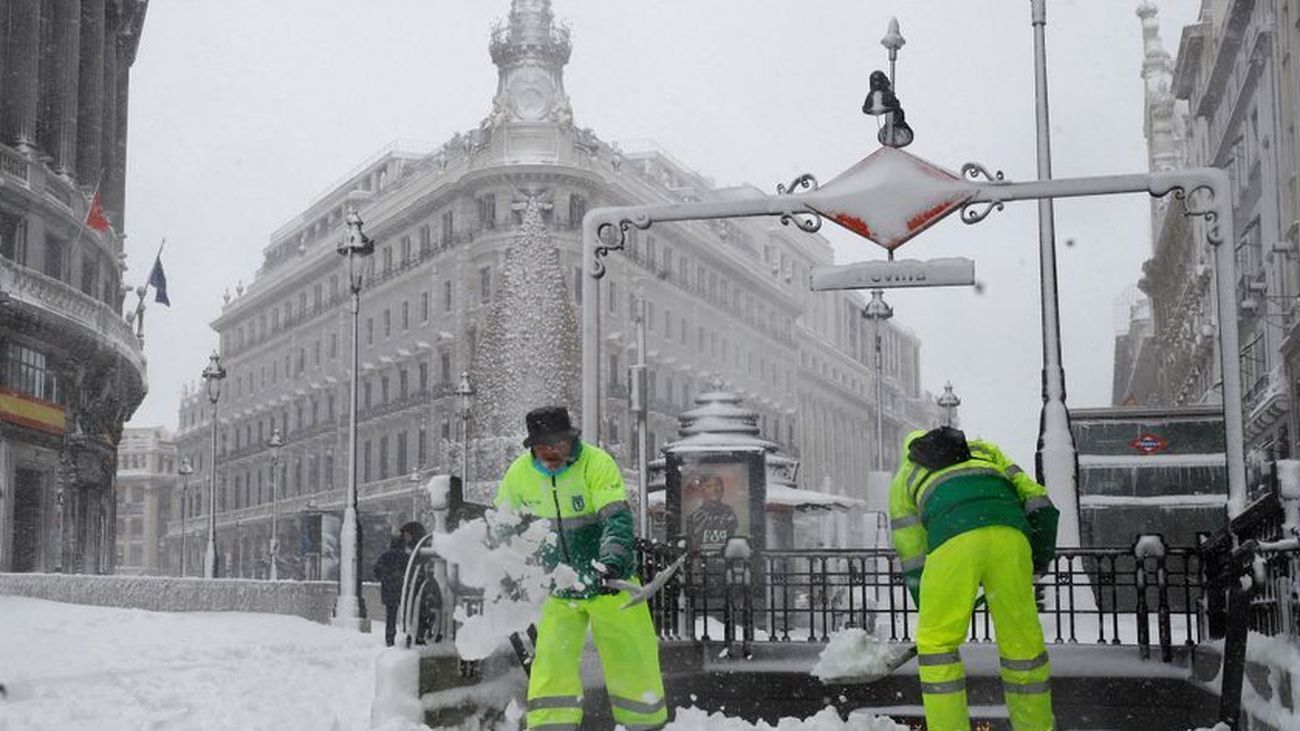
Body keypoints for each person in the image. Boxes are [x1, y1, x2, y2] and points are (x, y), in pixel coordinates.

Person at [494, 405, 667, 730]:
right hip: (559, 586)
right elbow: (503, 525)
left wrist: (612, 562)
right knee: (551, 664)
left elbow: (615, 517)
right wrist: (503, 566)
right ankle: (551, 726)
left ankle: (644, 724)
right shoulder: (519, 474)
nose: (550, 451)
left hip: (611, 584)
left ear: (570, 439)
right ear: (532, 445)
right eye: (543, 445)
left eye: (557, 443)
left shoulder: (596, 464)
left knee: (631, 658)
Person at [889, 426, 1059, 731]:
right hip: (1011, 535)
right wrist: (1039, 556)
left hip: (954, 539)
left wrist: (927, 604)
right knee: (1022, 644)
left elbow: (912, 551)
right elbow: (1038, 499)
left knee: (938, 646)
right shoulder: (986, 451)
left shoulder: (906, 475)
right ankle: (1036, 727)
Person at [684, 473, 739, 553]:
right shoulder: (692, 518)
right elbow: (693, 547)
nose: (715, 490)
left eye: (717, 485)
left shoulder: (729, 513)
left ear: (722, 489)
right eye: (709, 486)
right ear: (702, 490)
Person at [373, 535, 408, 647]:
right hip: (403, 589)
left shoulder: (385, 556)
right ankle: (406, 636)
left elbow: (377, 572)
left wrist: (387, 578)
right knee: (407, 615)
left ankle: (390, 638)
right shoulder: (406, 557)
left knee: (391, 616)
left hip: (389, 590)